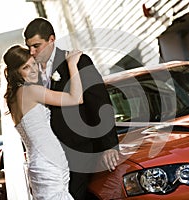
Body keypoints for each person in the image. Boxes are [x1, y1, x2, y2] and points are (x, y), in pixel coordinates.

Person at [23, 17, 120, 199]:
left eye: (36, 45)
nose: (32, 51)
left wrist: (109, 146)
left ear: (51, 39)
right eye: (29, 46)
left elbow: (100, 102)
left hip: (82, 151)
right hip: (52, 159)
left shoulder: (78, 62)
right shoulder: (29, 72)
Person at [3, 44, 83, 200]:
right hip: (48, 164)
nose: (33, 70)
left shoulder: (12, 99)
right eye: (26, 67)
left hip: (40, 162)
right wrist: (72, 64)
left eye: (33, 63)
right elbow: (76, 98)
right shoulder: (30, 91)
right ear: (16, 73)